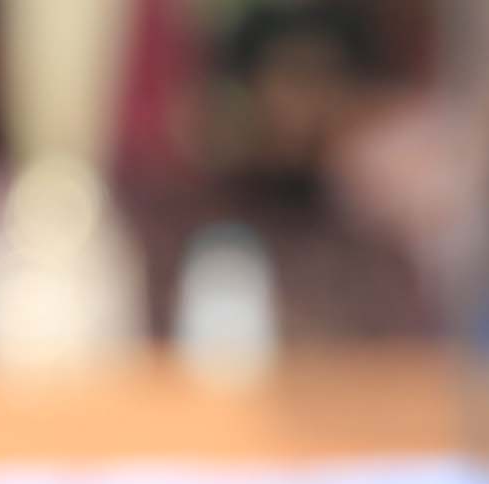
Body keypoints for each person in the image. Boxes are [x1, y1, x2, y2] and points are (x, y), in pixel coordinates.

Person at [135, 0, 444, 346]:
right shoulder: (189, 229)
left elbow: (415, 357)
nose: (308, 106)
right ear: (248, 90)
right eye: (293, 78)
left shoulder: (372, 246)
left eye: (325, 79)